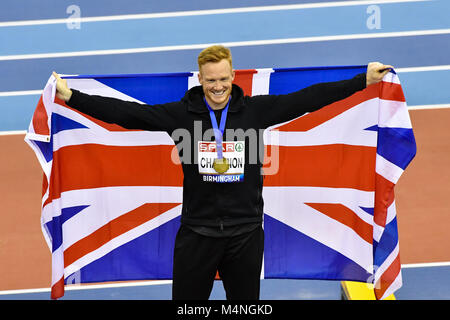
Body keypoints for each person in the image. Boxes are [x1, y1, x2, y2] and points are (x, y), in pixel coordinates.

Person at [53, 45, 392, 300]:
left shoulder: (256, 112)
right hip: (197, 233)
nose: (218, 87)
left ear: (233, 76)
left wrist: (361, 80)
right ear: (200, 79)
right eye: (211, 80)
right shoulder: (181, 115)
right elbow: (125, 114)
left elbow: (309, 98)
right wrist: (70, 96)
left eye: (223, 79)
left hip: (244, 234)